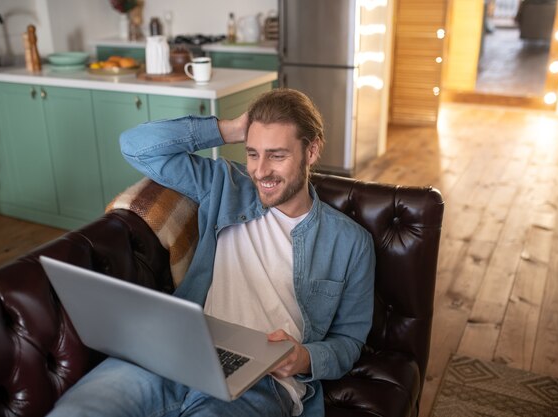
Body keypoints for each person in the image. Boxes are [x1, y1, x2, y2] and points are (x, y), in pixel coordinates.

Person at [47, 88, 375, 417]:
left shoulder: (350, 242)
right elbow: (136, 146)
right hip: (175, 350)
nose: (260, 171)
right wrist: (229, 128)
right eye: (252, 153)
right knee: (77, 410)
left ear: (311, 150)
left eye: (276, 155)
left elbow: (349, 339)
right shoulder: (224, 184)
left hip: (264, 381)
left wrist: (304, 358)